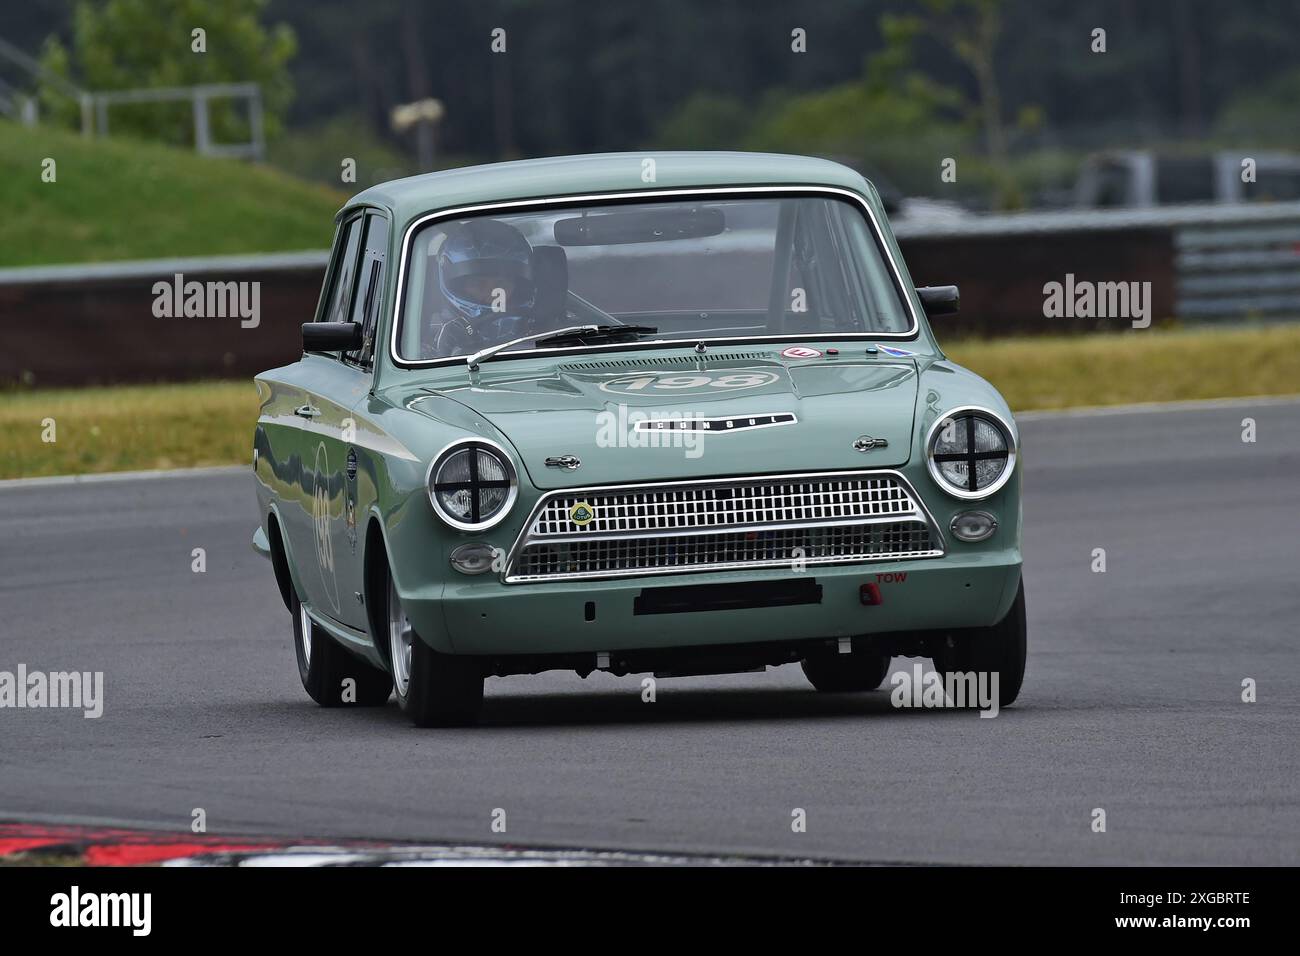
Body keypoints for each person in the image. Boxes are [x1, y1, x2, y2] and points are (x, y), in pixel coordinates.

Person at [431, 219, 536, 355]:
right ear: (457, 286)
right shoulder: (414, 346)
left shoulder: (553, 334)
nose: (491, 293)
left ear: (519, 286)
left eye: (501, 284)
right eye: (478, 284)